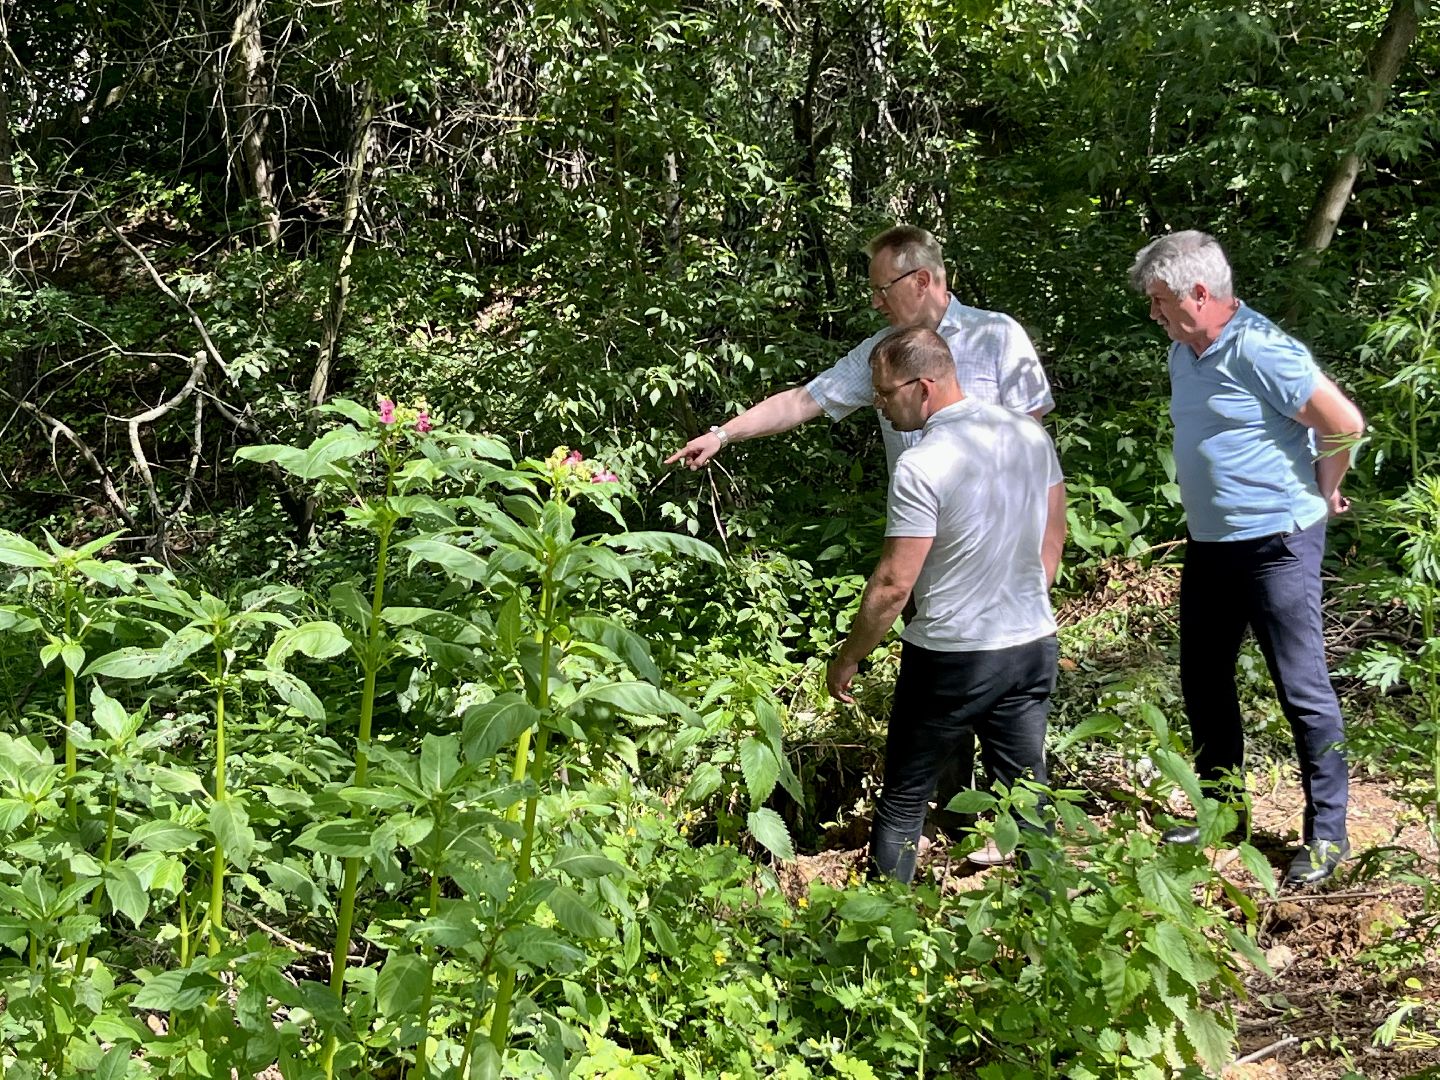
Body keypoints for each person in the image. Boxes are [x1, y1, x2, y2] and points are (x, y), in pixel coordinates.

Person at [666, 224, 1055, 856]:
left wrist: (1041, 568)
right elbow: (805, 400)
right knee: (948, 715)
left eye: (882, 289)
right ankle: (960, 836)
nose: (875, 302)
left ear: (921, 280)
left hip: (999, 572)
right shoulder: (884, 351)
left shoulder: (996, 336)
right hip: (928, 560)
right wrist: (724, 433)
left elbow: (1037, 458)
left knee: (977, 713)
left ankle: (987, 850)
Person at [1129, 230, 1365, 888]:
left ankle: (1327, 836)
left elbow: (1341, 420)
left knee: (1302, 689)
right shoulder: (1185, 350)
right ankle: (1224, 817)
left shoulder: (1262, 349)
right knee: (1204, 680)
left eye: (1158, 301)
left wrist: (1327, 486)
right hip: (1210, 546)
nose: (1153, 313)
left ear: (1198, 294)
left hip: (1276, 545)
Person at [824, 328, 1066, 884]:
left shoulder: (922, 463)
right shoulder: (1026, 434)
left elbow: (892, 584)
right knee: (1029, 797)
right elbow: (1056, 528)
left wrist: (849, 657)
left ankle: (884, 942)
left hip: (952, 657)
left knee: (905, 799)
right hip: (1030, 644)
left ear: (924, 386)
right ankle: (1052, 932)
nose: (879, 407)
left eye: (885, 394)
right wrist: (1031, 593)